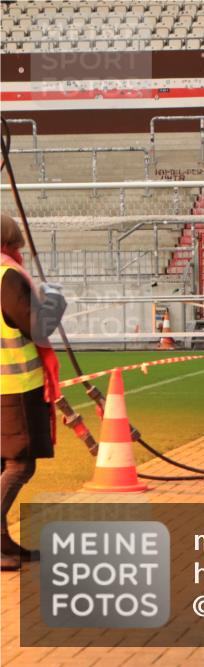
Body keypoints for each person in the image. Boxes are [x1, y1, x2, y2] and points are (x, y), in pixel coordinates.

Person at [1, 214, 65, 570]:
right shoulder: (7, 276)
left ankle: (4, 543)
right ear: (11, 242)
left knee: (8, 463)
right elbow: (36, 327)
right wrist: (53, 301)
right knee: (20, 464)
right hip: (14, 386)